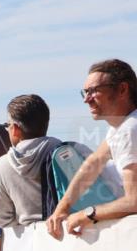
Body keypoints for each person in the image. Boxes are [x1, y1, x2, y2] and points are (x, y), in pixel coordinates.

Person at [47, 59, 137, 237]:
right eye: (85, 92)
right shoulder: (121, 127)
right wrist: (62, 207)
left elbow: (134, 201)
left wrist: (87, 214)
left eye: (94, 91)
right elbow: (93, 163)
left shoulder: (129, 130)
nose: (86, 99)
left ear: (122, 89)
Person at [0, 94, 61, 228]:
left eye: (7, 125)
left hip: (29, 237)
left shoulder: (2, 165)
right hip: (71, 231)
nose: (7, 129)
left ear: (16, 129)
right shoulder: (67, 152)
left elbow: (3, 219)